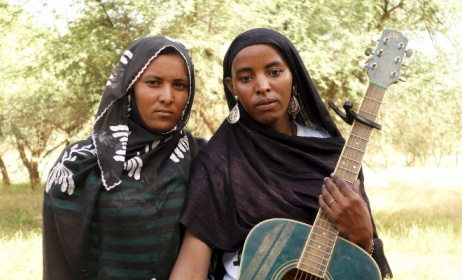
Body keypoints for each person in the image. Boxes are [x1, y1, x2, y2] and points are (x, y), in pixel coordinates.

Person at [170, 28, 392, 280]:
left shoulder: (332, 154)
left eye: (274, 73)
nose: (263, 86)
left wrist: (363, 240)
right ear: (232, 87)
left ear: (293, 77)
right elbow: (191, 267)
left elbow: (359, 264)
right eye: (246, 78)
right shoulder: (219, 162)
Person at [43, 35, 206, 280]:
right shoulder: (78, 165)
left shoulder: (199, 157)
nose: (167, 97)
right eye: (153, 82)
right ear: (129, 87)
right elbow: (60, 262)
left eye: (179, 85)